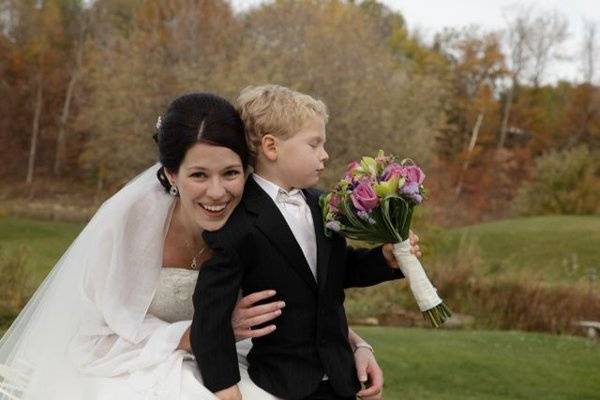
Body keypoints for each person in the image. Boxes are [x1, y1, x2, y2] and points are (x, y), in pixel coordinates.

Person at [0, 92, 419, 400]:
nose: (217, 193)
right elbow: (101, 328)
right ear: (170, 174)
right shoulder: (130, 226)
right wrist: (203, 332)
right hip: (127, 358)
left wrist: (357, 346)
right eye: (198, 175)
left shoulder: (257, 218)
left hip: (236, 357)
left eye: (231, 173)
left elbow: (305, 286)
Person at [191, 85, 411, 400]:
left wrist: (385, 259)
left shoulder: (325, 205)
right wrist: (224, 387)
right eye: (314, 144)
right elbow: (210, 315)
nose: (325, 155)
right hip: (281, 383)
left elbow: (337, 271)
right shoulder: (237, 223)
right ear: (271, 147)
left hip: (340, 378)